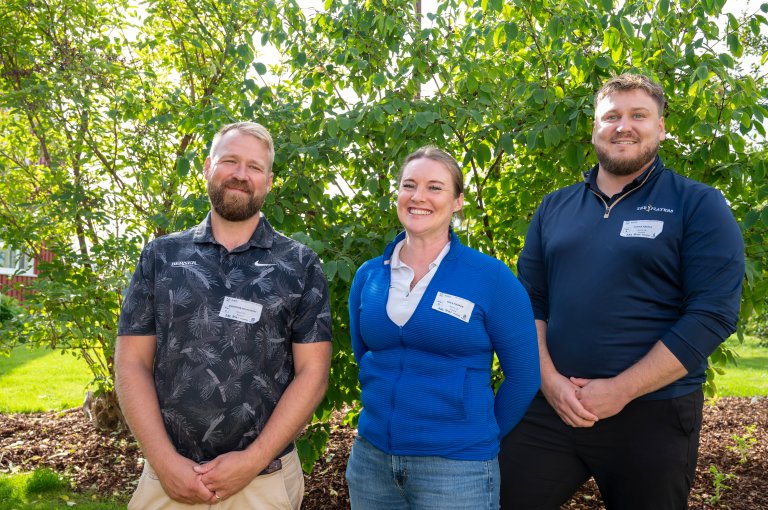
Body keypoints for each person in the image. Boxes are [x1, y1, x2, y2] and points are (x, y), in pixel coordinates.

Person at [499, 73, 745, 509]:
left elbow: (712, 313)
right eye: (611, 116)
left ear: (661, 128)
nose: (623, 126)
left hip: (653, 413)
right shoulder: (555, 206)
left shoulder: (698, 204)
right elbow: (529, 302)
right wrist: (549, 382)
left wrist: (622, 389)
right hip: (553, 407)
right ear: (594, 128)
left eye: (638, 116)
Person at [115, 122, 332, 509]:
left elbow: (313, 374)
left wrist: (252, 461)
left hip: (263, 481)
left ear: (268, 181)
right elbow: (131, 362)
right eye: (230, 161)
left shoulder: (300, 265)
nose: (241, 174)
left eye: (255, 166)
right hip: (167, 479)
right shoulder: (160, 257)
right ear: (207, 167)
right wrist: (164, 463)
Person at [345, 146, 540, 509]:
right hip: (372, 464)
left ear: (458, 202)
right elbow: (366, 356)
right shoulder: (368, 276)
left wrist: (476, 437)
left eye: (434, 187)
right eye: (409, 185)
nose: (418, 197)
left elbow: (525, 377)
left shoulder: (491, 278)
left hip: (456, 470)